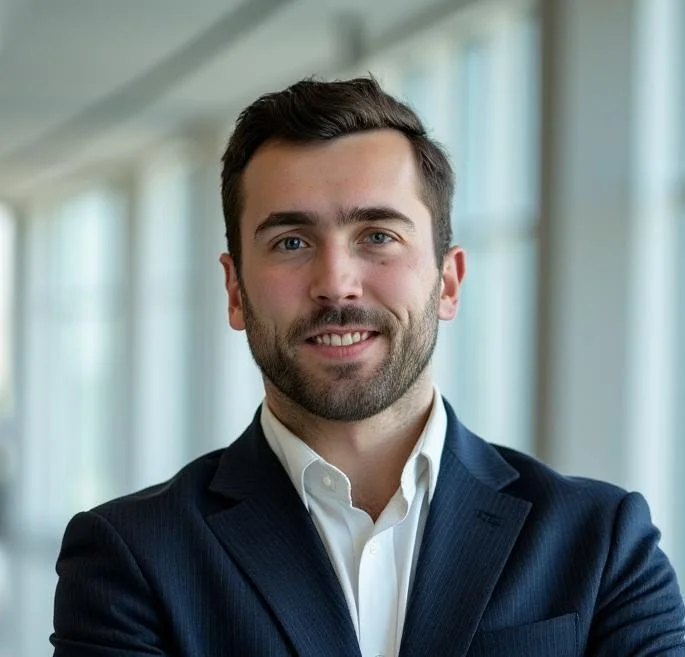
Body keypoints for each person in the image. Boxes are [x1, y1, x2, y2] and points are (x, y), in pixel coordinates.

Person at [51, 77, 685, 657]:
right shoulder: (131, 556)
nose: (336, 284)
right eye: (290, 242)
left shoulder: (601, 544)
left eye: (378, 235)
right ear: (236, 292)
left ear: (448, 282)